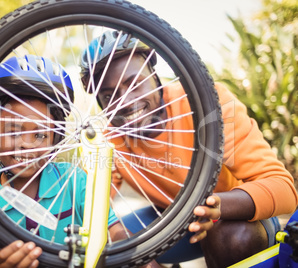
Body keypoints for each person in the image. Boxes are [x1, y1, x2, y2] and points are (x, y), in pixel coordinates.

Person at [80, 30, 298, 267]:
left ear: (155, 76)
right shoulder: (109, 140)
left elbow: (284, 189)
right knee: (111, 250)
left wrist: (215, 206)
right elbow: (88, 206)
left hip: (236, 214)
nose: (125, 101)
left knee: (230, 238)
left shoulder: (209, 102)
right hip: (174, 220)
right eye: (109, 95)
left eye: (134, 83)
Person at [0, 55, 154, 268]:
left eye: (40, 135)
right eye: (13, 132)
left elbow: (113, 229)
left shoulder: (76, 181)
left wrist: (130, 250)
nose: (27, 144)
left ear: (56, 138)